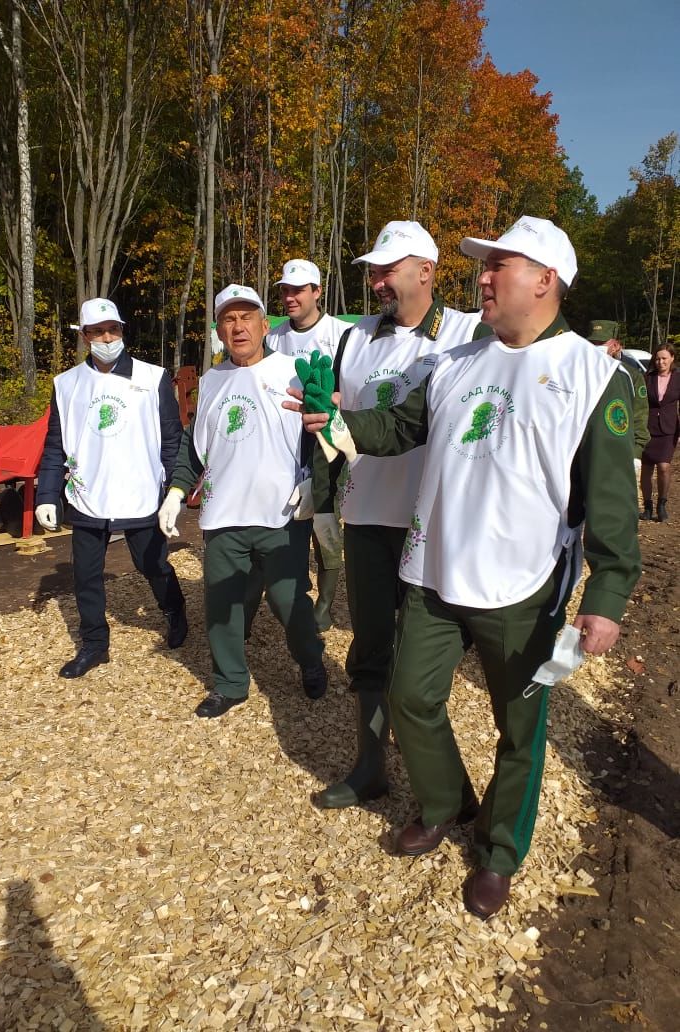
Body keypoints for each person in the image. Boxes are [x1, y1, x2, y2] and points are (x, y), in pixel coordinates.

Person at [296, 216, 641, 918]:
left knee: (520, 731)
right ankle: (447, 801)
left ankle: (499, 852)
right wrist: (338, 426)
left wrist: (606, 592)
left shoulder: (592, 375)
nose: (482, 277)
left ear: (545, 281)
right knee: (411, 699)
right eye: (483, 267)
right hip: (433, 569)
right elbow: (400, 428)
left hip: (524, 586)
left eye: (500, 266)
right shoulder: (456, 362)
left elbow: (611, 503)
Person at [309, 221, 483, 810]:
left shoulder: (467, 334)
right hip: (365, 515)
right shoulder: (355, 337)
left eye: (388, 269)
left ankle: (447, 787)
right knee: (371, 649)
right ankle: (369, 768)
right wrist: (324, 500)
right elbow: (333, 420)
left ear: (427, 270)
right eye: (373, 271)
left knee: (421, 666)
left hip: (431, 522)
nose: (377, 281)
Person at [158, 284, 327, 718]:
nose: (238, 327)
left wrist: (315, 484)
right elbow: (195, 449)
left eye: (246, 317)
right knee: (222, 604)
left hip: (282, 514)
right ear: (218, 330)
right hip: (223, 515)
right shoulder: (212, 381)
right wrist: (176, 492)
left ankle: (310, 659)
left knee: (290, 603)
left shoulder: (295, 372)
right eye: (228, 319)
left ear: (264, 324)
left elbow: (322, 433)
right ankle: (230, 683)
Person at [36, 298, 187, 678]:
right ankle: (94, 644)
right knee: (86, 573)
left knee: (151, 563)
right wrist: (46, 494)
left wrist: (174, 490)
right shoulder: (67, 384)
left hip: (140, 491)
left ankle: (174, 611)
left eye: (114, 329)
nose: (107, 337)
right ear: (85, 336)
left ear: (121, 331)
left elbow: (172, 439)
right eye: (98, 331)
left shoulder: (152, 378)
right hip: (88, 494)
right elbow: (55, 443)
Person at [263, 259, 354, 631]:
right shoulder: (273, 337)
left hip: (325, 442)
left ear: (317, 291)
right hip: (283, 440)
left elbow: (349, 390)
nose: (289, 297)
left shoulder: (341, 333)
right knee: (288, 516)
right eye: (285, 290)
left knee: (325, 519)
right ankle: (292, 587)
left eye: (298, 290)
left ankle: (326, 602)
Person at [588, 319, 649, 460]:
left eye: (600, 343)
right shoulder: (579, 372)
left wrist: (636, 454)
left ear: (615, 346)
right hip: (587, 452)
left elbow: (639, 416)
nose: (595, 347)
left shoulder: (630, 375)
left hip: (619, 450)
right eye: (592, 343)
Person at [640, 344, 680, 522]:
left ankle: (661, 504)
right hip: (647, 429)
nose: (660, 361)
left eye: (664, 358)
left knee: (664, 467)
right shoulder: (647, 377)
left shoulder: (678, 378)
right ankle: (647, 506)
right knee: (646, 469)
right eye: (657, 358)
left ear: (672, 358)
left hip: (668, 429)